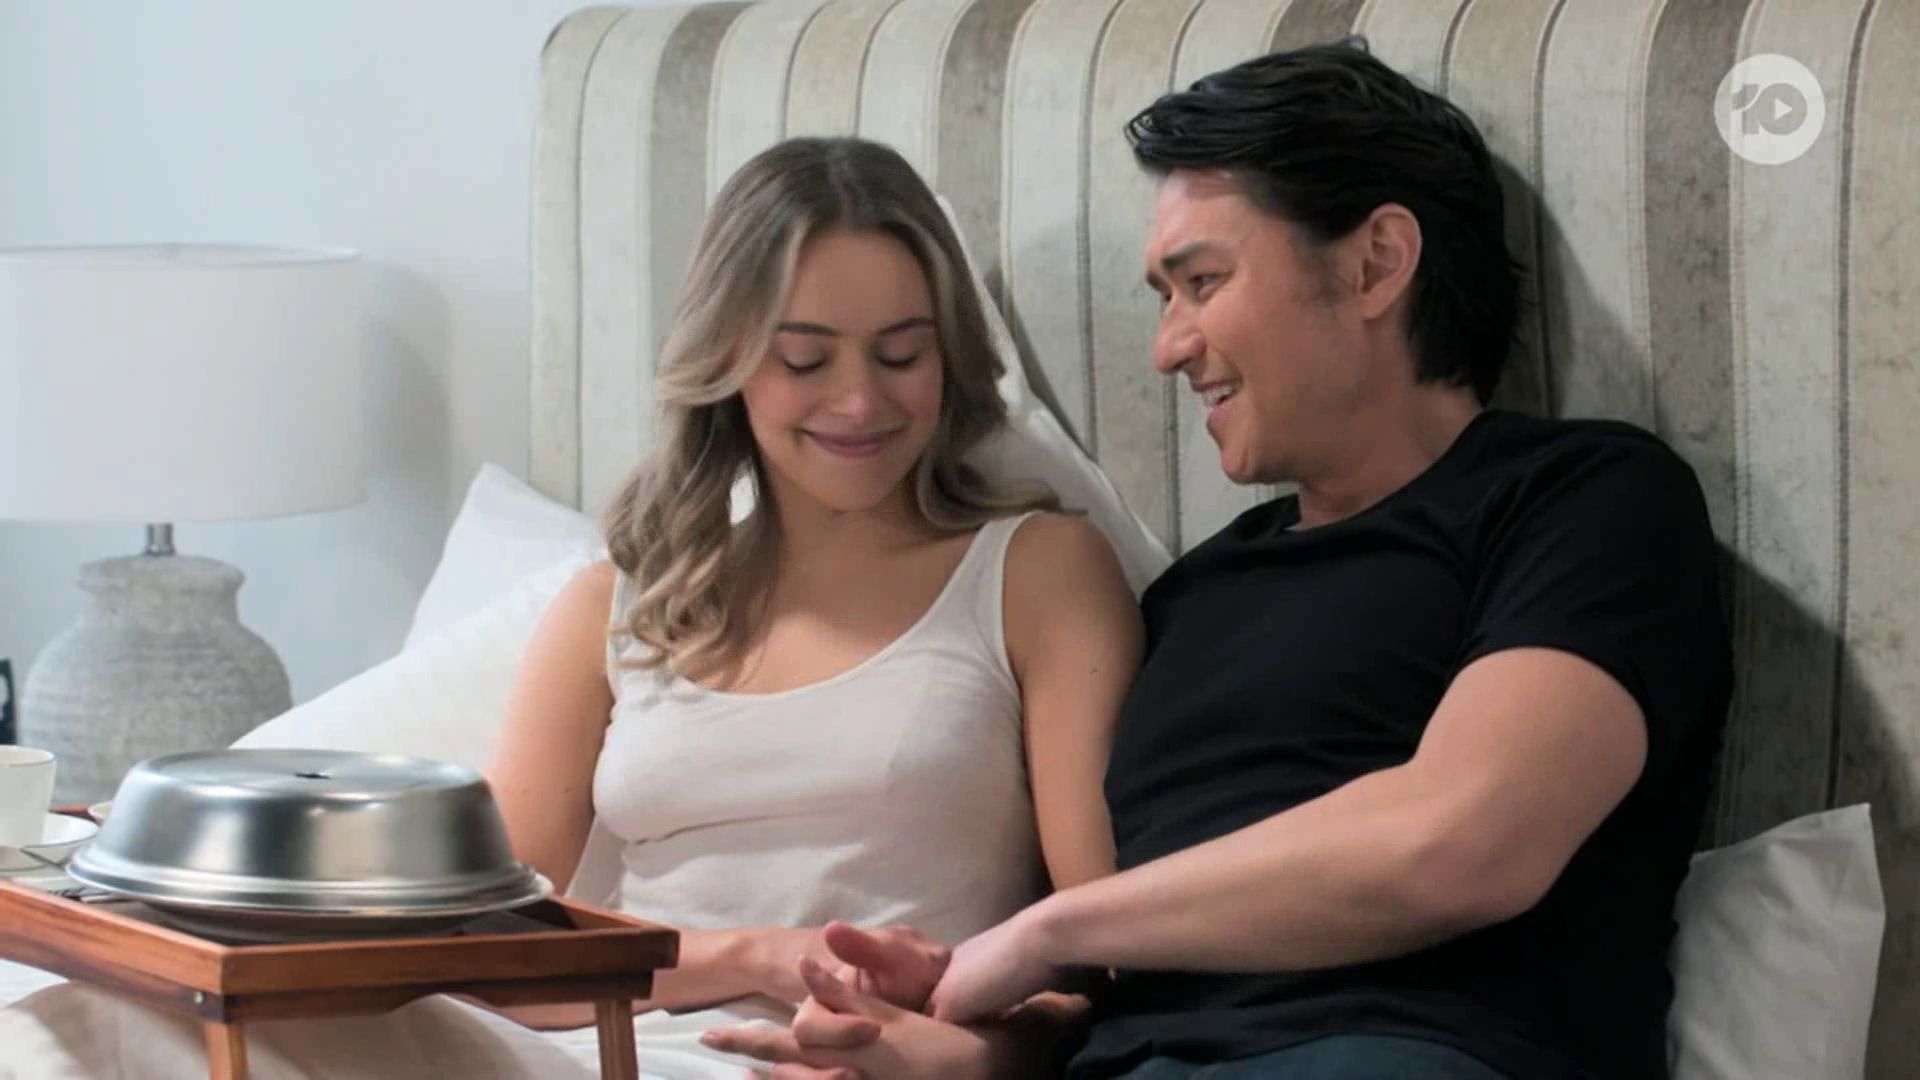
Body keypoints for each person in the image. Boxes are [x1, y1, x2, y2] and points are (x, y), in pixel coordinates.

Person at [0, 136, 1142, 1080]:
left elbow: (1109, 954)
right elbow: (492, 952)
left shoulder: (1034, 574)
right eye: (804, 360)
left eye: (901, 354)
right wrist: (760, 952)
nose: (859, 401)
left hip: (867, 1061)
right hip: (596, 1044)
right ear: (727, 364)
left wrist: (963, 1055)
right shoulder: (622, 602)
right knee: (108, 1018)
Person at [706, 39, 1732, 1080]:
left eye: (1203, 281)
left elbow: (1464, 842)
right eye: (1166, 296)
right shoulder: (1190, 598)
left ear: (1376, 262)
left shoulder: (1583, 498)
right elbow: (1125, 995)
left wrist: (1049, 930)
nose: (1169, 346)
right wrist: (941, 1047)